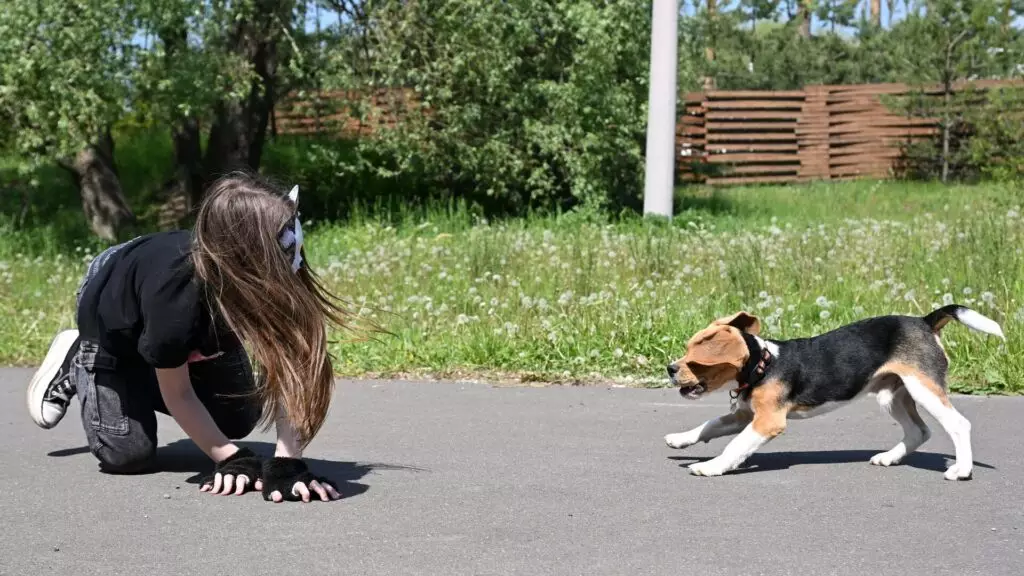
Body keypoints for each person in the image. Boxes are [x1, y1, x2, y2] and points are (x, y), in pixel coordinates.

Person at [26, 173, 350, 503]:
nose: (295, 253)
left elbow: (293, 371)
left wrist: (287, 465)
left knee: (238, 418)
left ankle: (157, 360)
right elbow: (178, 393)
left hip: (183, 318)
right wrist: (230, 459)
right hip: (114, 316)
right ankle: (77, 352)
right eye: (284, 243)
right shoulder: (177, 303)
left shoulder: (273, 272)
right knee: (127, 453)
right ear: (246, 253)